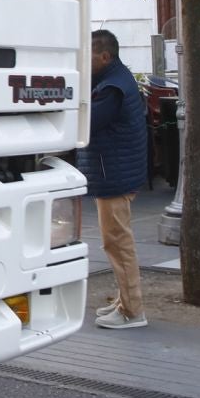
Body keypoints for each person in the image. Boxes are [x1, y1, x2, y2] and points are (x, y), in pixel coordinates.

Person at [81, 29, 149, 330]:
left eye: (89, 54)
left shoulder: (112, 87)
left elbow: (90, 122)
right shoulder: (114, 79)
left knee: (117, 242)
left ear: (105, 56)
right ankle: (125, 302)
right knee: (116, 240)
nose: (85, 60)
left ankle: (133, 311)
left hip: (114, 173)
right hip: (115, 170)